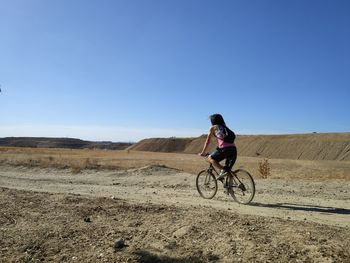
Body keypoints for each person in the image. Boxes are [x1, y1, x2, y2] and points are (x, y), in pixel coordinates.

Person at [199, 114, 237, 180]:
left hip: (224, 149)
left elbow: (208, 141)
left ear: (212, 121)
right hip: (233, 150)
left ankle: (223, 170)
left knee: (210, 158)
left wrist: (203, 152)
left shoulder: (213, 127)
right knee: (228, 170)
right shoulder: (225, 127)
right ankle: (230, 189)